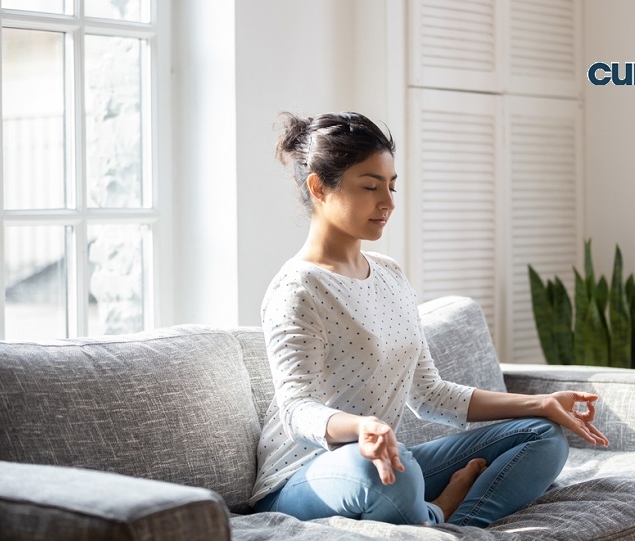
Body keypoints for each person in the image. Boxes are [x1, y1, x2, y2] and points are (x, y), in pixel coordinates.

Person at [250, 111, 609, 528]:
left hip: (388, 460)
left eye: (391, 185)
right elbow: (297, 409)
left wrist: (541, 403)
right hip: (302, 478)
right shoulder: (299, 288)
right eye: (370, 187)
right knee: (388, 473)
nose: (388, 203)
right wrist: (362, 427)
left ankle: (456, 527)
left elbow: (430, 394)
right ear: (319, 188)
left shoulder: (389, 274)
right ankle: (438, 512)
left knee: (542, 435)